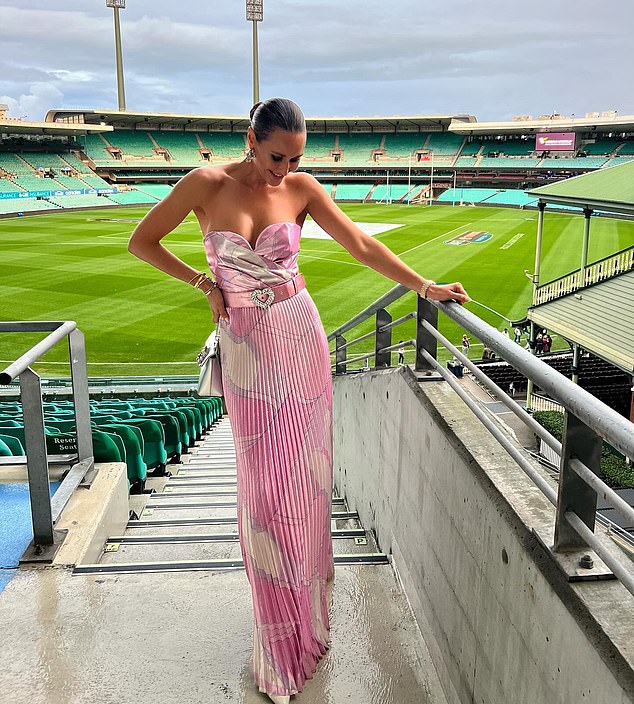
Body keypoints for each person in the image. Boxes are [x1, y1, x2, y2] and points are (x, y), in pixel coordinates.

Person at [127, 98, 470, 704]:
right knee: (265, 491)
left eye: (294, 158)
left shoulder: (304, 187)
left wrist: (425, 286)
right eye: (275, 155)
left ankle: (305, 618)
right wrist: (204, 281)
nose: (283, 169)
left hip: (300, 336)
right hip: (247, 349)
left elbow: (360, 243)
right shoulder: (205, 183)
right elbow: (143, 242)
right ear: (249, 139)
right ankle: (275, 638)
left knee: (305, 483)